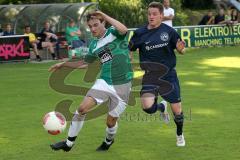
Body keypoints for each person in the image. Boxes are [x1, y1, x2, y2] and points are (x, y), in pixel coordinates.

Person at [49, 11, 133, 152]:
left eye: (96, 25)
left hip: (123, 85)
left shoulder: (114, 32)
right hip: (104, 82)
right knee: (82, 108)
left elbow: (124, 30)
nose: (93, 29)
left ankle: (108, 141)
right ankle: (68, 143)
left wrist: (104, 15)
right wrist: (63, 64)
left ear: (103, 23)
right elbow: (85, 63)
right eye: (90, 26)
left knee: (111, 122)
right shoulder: (94, 45)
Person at [129, 2, 186, 147]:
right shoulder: (140, 33)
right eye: (149, 14)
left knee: (177, 112)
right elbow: (129, 47)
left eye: (154, 14)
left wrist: (180, 50)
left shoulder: (169, 31)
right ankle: (161, 107)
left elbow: (181, 49)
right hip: (150, 76)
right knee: (147, 107)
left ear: (161, 15)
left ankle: (179, 134)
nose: (151, 17)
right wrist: (128, 55)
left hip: (168, 75)